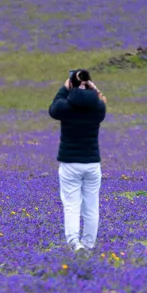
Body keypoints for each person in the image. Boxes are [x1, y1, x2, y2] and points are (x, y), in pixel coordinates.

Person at [49, 68, 107, 257]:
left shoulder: (65, 107)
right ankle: (89, 245)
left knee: (72, 206)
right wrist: (91, 86)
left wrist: (66, 87)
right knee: (91, 206)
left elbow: (53, 108)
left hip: (70, 163)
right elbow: (100, 98)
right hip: (92, 163)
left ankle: (75, 243)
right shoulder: (98, 108)